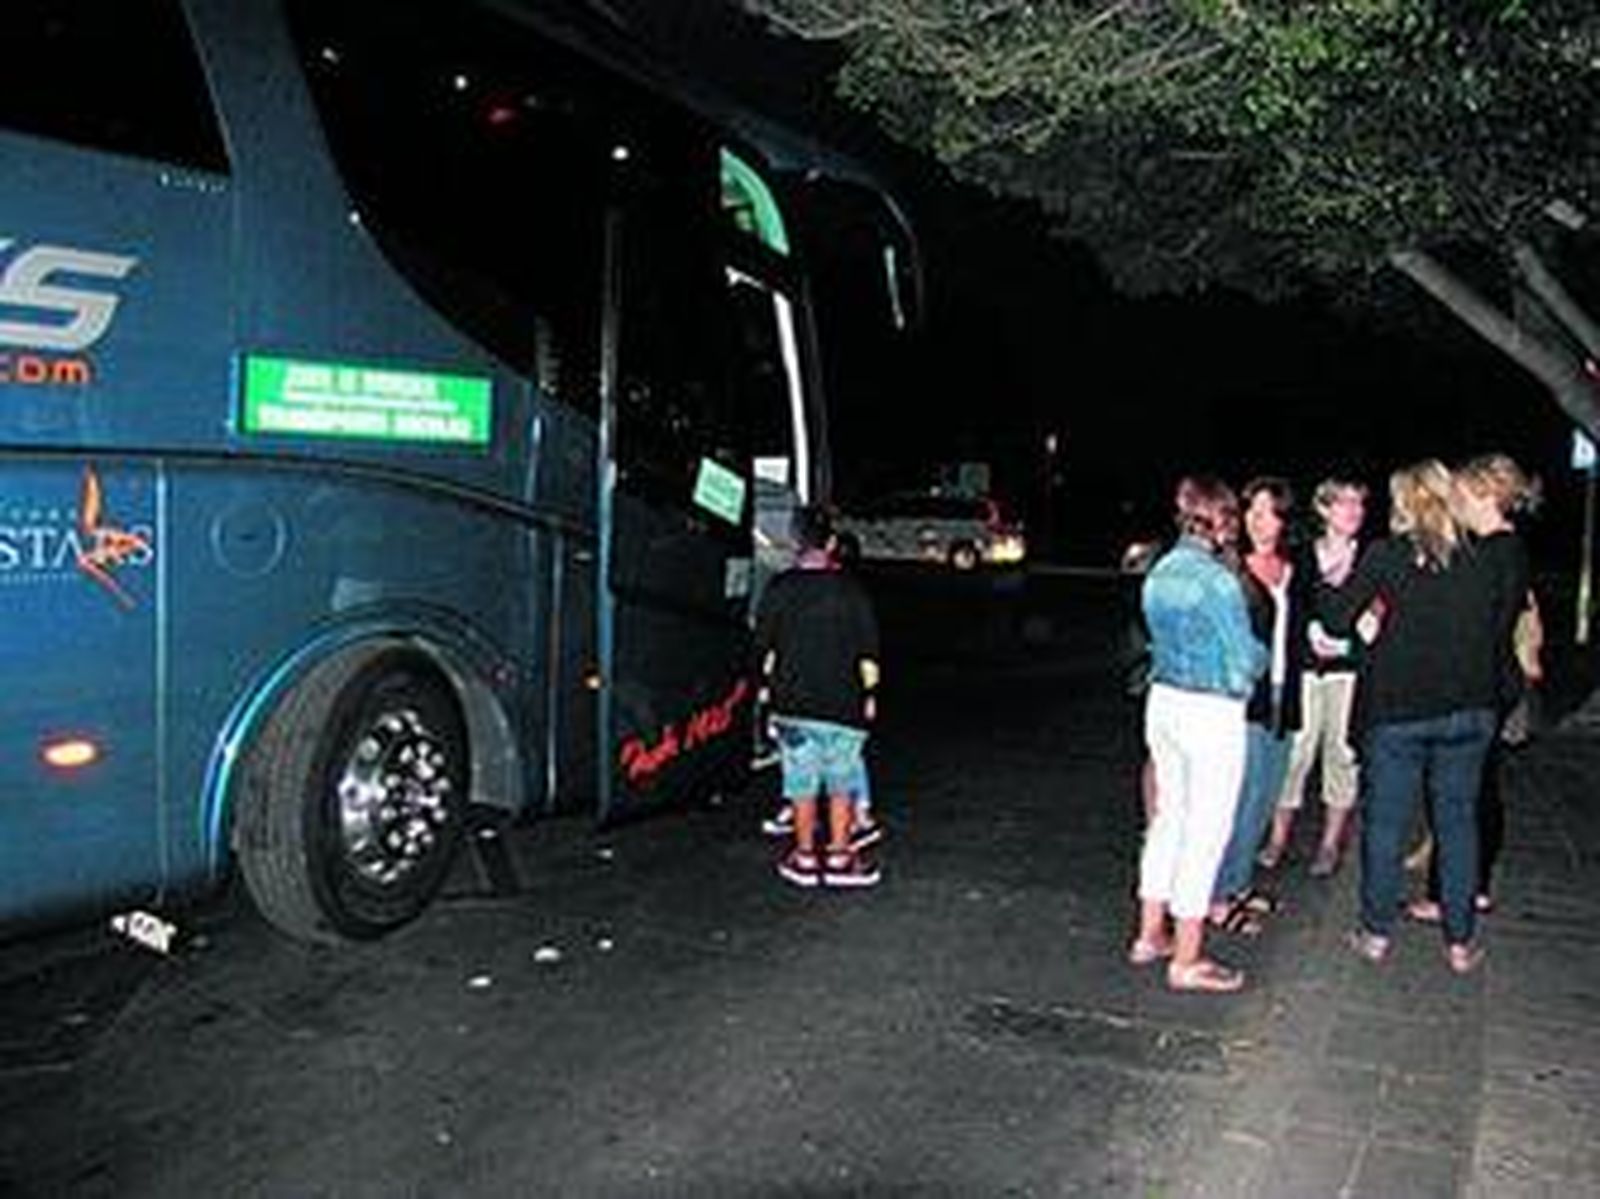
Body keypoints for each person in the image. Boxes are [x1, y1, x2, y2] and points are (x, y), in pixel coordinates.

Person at [1331, 461, 1508, 974]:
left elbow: (1338, 617)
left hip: (1399, 711)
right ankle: (1460, 942)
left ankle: (1375, 933)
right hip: (1469, 709)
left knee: (1386, 823)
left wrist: (1340, 584)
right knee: (1458, 823)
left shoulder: (1386, 554)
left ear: (1403, 503)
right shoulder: (1483, 558)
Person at [1129, 476, 1267, 993]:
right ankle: (1187, 959)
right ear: (1221, 519)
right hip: (1210, 711)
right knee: (1205, 831)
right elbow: (1242, 661)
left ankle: (1150, 933)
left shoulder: (1160, 570)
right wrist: (1264, 658)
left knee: (1168, 820)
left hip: (1164, 702)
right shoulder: (1217, 581)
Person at [1408, 453, 1540, 924]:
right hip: (1496, 678)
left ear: (1486, 494)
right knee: (1482, 789)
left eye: (1461, 493)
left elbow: (1472, 625)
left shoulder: (1489, 553)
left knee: (1456, 792)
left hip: (1475, 682)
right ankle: (1476, 885)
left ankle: (1447, 895)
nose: (1455, 502)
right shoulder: (1510, 548)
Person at [754, 504, 882, 888]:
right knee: (842, 781)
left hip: (793, 704)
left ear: (796, 542)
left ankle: (805, 857)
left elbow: (762, 647)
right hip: (844, 704)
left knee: (800, 782)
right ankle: (841, 856)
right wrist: (869, 694)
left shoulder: (780, 588)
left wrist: (765, 689)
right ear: (831, 543)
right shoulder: (852, 591)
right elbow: (869, 652)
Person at [1259, 477, 1368, 877]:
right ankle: (1277, 838)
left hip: (1350, 671)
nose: (1354, 510)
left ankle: (1330, 843)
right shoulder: (1302, 554)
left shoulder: (1371, 555)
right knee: (1296, 753)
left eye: (1358, 503)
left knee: (1342, 754)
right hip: (1305, 668)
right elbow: (1291, 605)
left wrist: (1350, 643)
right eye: (1344, 502)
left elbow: (1382, 611)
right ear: (1323, 509)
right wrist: (1308, 631)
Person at [1209, 478, 1303, 936]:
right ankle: (1216, 897)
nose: (1258, 521)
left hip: (1285, 695)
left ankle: (1239, 882)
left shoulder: (1293, 568)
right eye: (1252, 511)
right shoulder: (1229, 569)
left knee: (1266, 796)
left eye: (1268, 512)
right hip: (1243, 700)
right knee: (1239, 798)